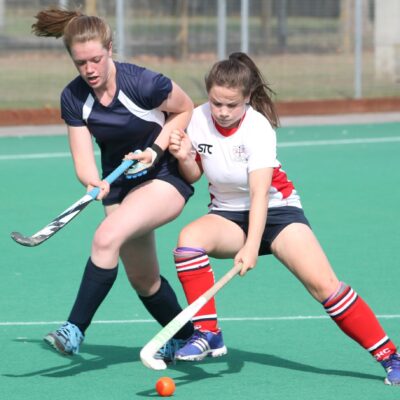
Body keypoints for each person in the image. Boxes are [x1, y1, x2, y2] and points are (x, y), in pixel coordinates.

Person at [168, 52, 400, 385]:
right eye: (217, 102)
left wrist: (251, 247)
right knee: (188, 241)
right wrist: (184, 157)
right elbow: (193, 174)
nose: (222, 111)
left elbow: (260, 194)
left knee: (325, 286)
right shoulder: (198, 119)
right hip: (227, 215)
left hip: (278, 212)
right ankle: (208, 333)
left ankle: (391, 356)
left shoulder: (258, 128)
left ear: (247, 98)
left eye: (231, 105)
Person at [31, 7, 194, 361]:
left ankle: (73, 330)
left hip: (164, 176)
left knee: (105, 238)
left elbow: (185, 109)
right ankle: (187, 336)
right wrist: (93, 182)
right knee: (143, 279)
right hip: (118, 185)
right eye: (80, 63)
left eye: (96, 59)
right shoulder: (74, 98)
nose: (89, 69)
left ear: (109, 49)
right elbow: (83, 156)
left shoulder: (144, 83)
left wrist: (155, 149)